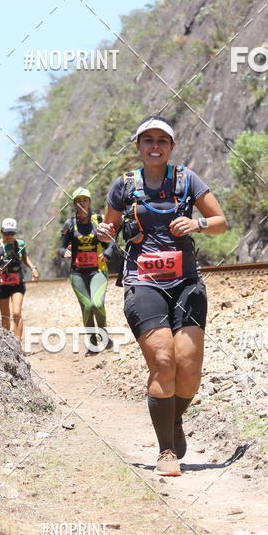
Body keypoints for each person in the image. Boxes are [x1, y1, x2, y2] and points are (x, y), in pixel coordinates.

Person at [98, 116, 227, 476]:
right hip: (143, 283)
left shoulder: (187, 180)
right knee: (163, 361)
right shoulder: (124, 186)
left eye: (162, 141)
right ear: (138, 146)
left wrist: (197, 223)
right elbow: (108, 232)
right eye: (148, 140)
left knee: (188, 371)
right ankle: (166, 450)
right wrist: (105, 232)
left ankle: (173, 419)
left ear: (171, 146)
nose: (155, 146)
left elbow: (220, 221)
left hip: (186, 283)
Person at [59, 187, 112, 353]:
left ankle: (103, 336)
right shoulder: (70, 224)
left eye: (85, 200)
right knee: (87, 306)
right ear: (74, 204)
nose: (82, 203)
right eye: (78, 201)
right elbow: (60, 248)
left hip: (99, 270)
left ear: (89, 202)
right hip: (77, 273)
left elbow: (111, 241)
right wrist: (65, 252)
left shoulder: (99, 220)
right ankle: (92, 343)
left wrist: (108, 252)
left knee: (97, 303)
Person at [0, 218, 39, 340]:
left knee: (16, 313)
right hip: (1, 285)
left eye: (11, 233)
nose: (9, 236)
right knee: (5, 315)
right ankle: (7, 343)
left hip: (17, 284)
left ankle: (18, 342)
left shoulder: (20, 244)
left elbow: (24, 257)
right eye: (6, 233)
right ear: (1, 232)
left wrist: (33, 268)